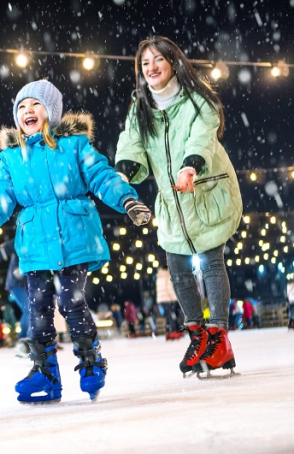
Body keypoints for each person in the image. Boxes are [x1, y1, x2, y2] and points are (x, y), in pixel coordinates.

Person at [0, 79, 151, 404]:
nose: (28, 111)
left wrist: (127, 200)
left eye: (35, 104)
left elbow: (102, 176)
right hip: (35, 244)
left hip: (74, 238)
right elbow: (0, 197)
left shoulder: (74, 146)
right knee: (37, 309)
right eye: (21, 107)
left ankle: (91, 361)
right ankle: (46, 373)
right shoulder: (13, 157)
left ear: (50, 111)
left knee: (70, 302)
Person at [115, 36, 242, 377]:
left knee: (212, 261)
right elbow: (131, 142)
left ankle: (219, 336)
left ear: (173, 63)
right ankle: (198, 336)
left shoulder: (196, 99)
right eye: (145, 64)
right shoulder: (140, 108)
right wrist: (123, 172)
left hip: (204, 190)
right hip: (172, 201)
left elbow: (203, 133)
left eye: (158, 60)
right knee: (177, 266)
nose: (151, 68)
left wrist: (191, 165)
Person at [0, 239, 30, 344]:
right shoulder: (23, 238)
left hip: (30, 282)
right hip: (16, 282)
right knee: (29, 309)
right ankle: (23, 339)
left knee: (38, 309)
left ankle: (40, 338)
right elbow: (3, 248)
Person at [156, 265, 184, 340]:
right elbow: (170, 288)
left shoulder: (159, 277)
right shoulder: (167, 276)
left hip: (161, 300)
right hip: (169, 299)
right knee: (173, 316)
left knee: (168, 317)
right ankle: (175, 332)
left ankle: (168, 332)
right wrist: (175, 298)